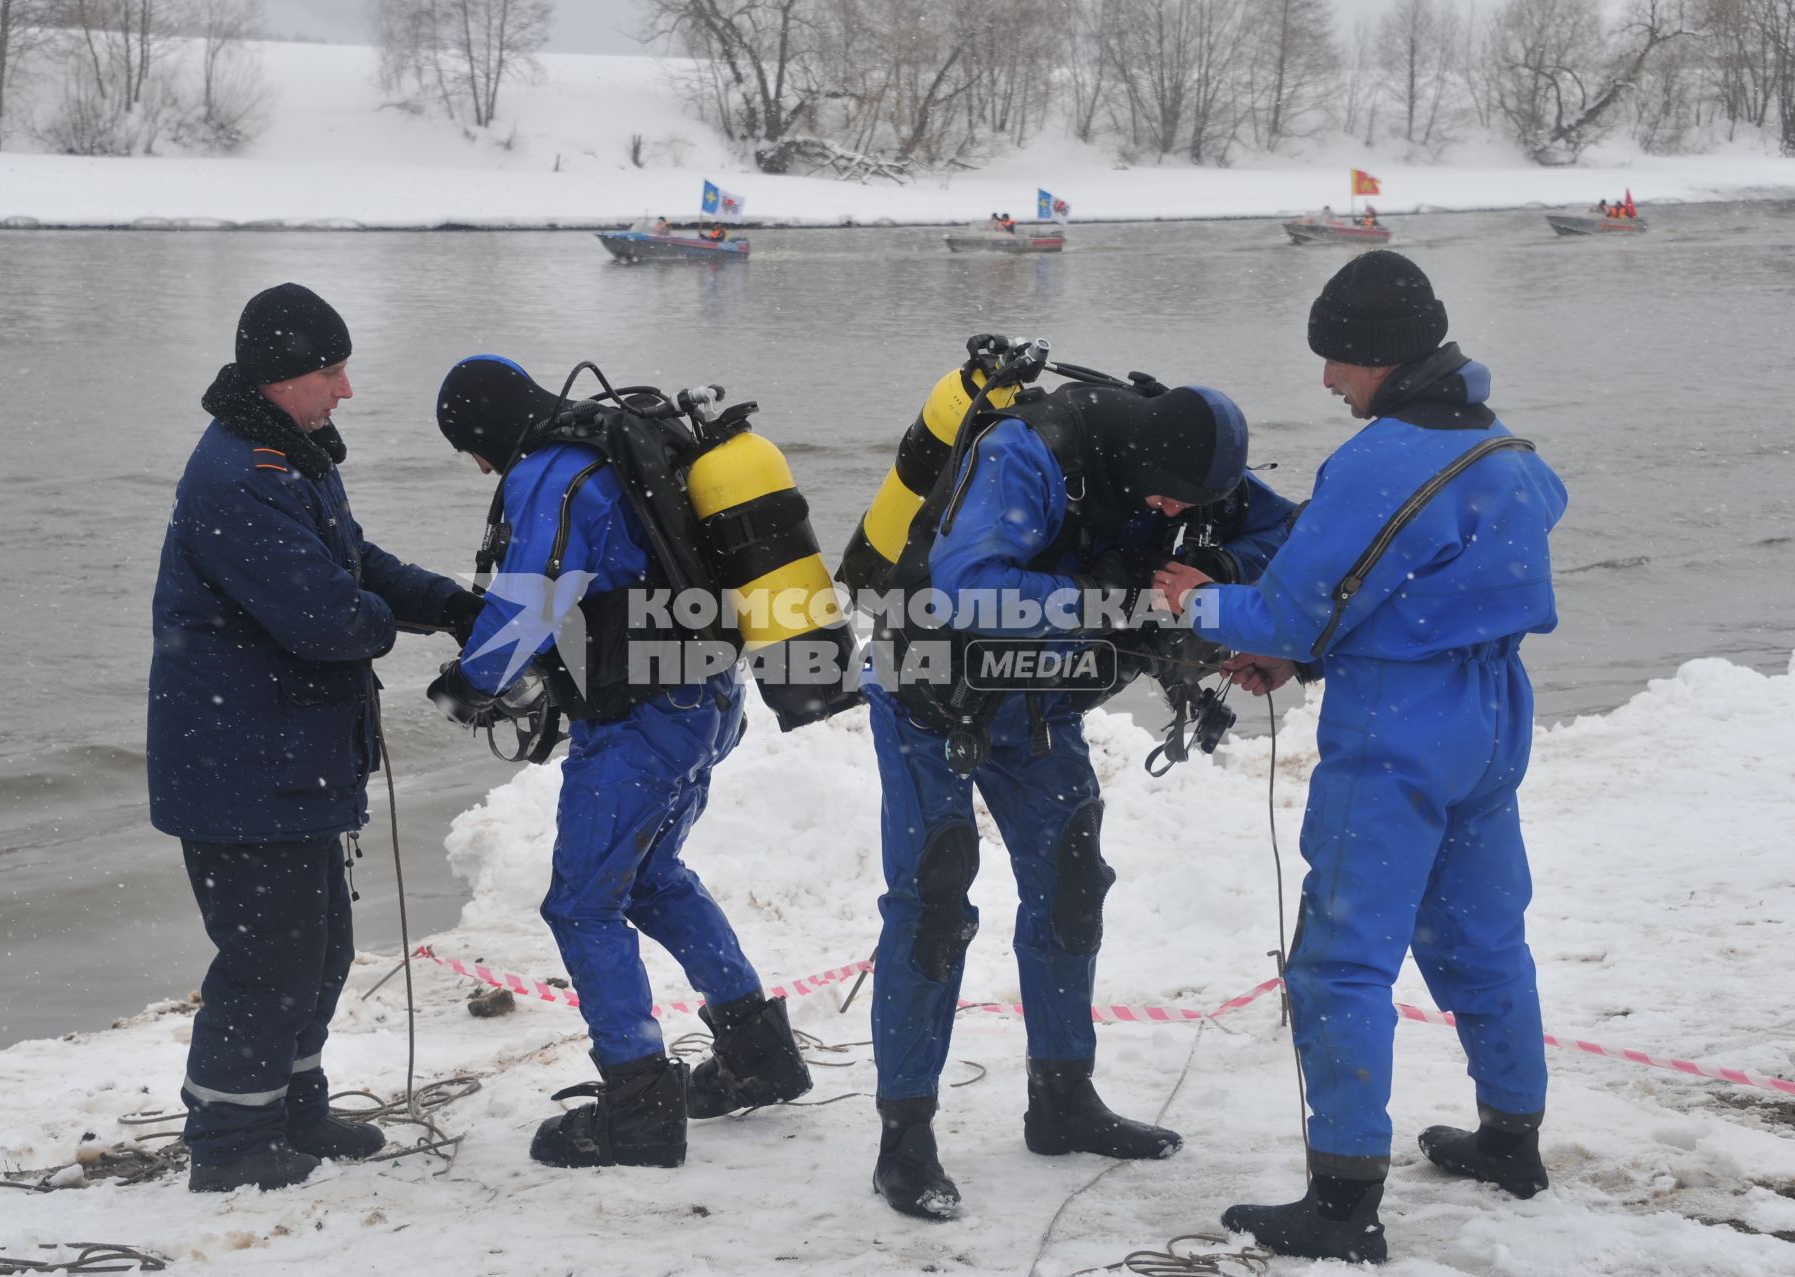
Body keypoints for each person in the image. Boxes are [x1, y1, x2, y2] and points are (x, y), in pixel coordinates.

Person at [1150, 250, 1568, 1263]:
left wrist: (1194, 600)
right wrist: (1312, 650)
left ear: (1379, 356)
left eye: (1338, 359)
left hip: (1398, 728)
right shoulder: (1507, 451)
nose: (1330, 379)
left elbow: (1293, 603)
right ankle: (1512, 1138)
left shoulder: (1382, 457)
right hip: (1492, 709)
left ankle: (1342, 1205)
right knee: (1484, 931)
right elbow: (1426, 586)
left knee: (1340, 959)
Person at [861, 362, 1296, 1220]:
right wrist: (1114, 598)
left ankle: (1062, 1100)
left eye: (1189, 504)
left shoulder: (1184, 467)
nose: (1174, 513)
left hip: (1039, 704)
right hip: (928, 691)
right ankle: (903, 1136)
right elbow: (966, 588)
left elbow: (1292, 532)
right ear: (1143, 465)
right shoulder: (1033, 453)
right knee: (935, 899)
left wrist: (1213, 561)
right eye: (1169, 502)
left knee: (1070, 885)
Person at [425, 355, 815, 1171]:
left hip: (643, 714)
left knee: (581, 906)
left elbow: (528, 600)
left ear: (486, 433)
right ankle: (759, 1055)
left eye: (475, 452)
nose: (484, 469)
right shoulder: (624, 441)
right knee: (653, 877)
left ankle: (638, 1104)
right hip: (707, 695)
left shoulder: (556, 471)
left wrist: (470, 685)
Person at [149, 283, 483, 1193]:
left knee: (321, 945)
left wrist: (447, 602)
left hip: (285, 759)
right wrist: (391, 621)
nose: (345, 389)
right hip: (239, 767)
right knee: (269, 955)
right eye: (330, 371)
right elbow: (330, 617)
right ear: (282, 375)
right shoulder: (237, 477)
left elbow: (356, 562)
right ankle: (229, 1141)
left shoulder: (292, 458)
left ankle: (292, 1104)